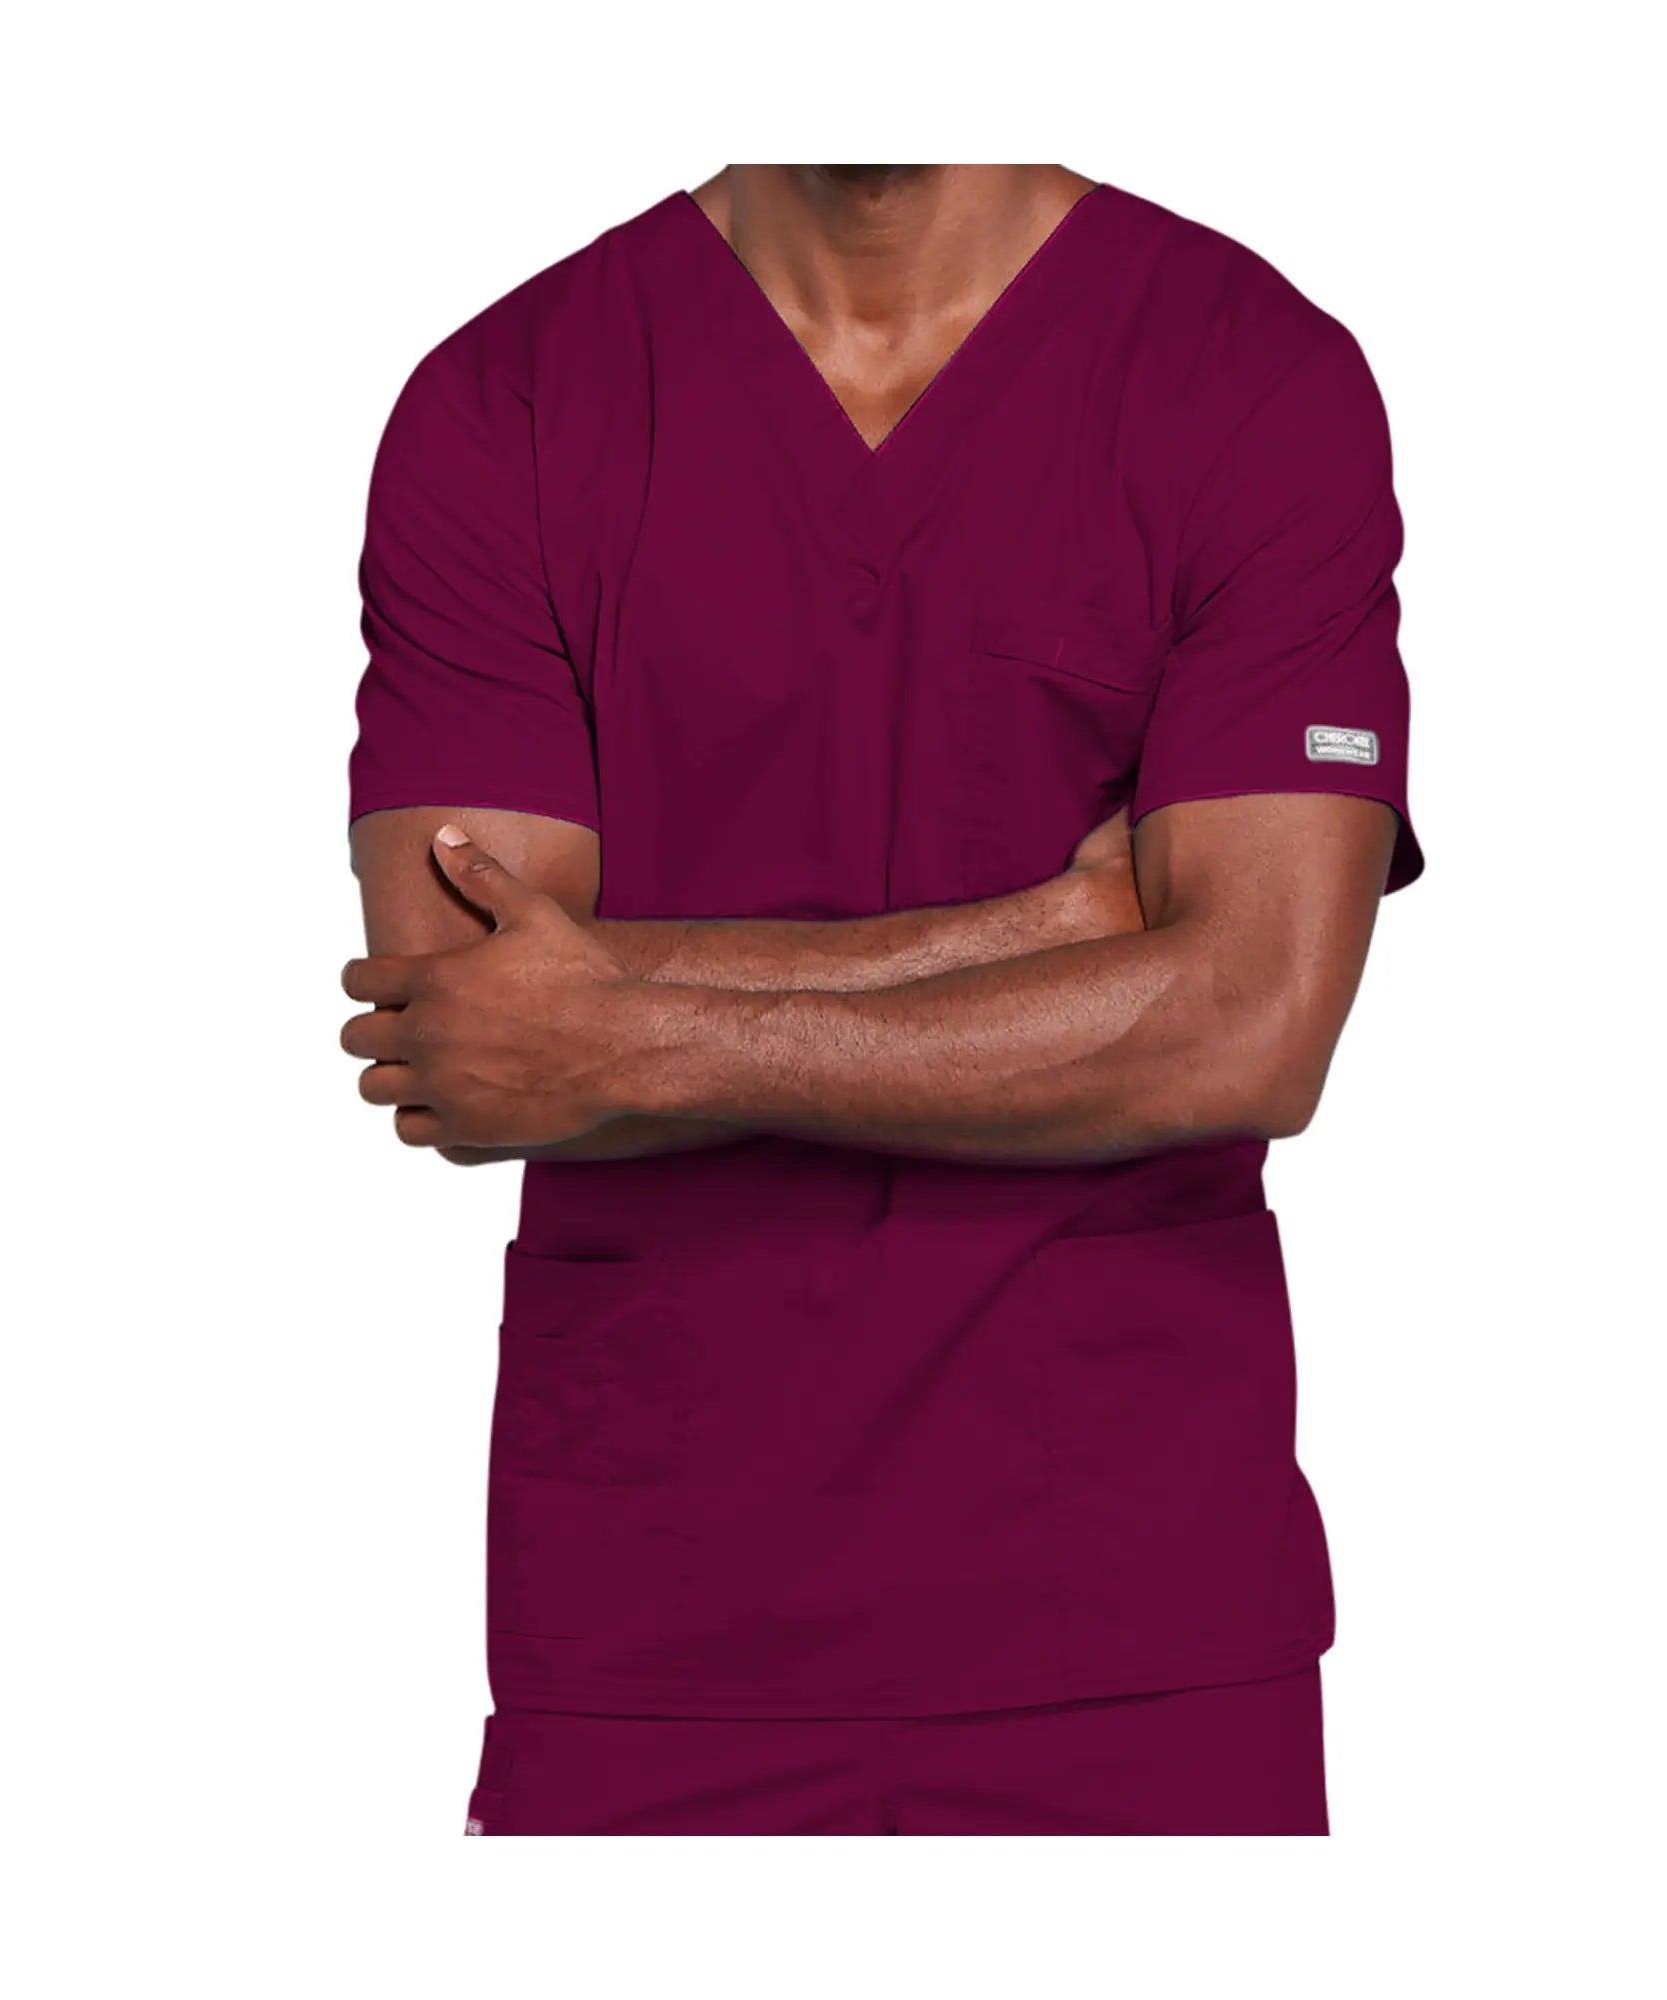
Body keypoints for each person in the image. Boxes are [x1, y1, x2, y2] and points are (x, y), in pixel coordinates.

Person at [340, 163, 1422, 1835]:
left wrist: (615, 1020)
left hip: (1134, 1607)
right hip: (651, 1612)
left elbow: (1252, 1027)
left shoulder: (1246, 376)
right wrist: (1064, 930)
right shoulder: (513, 404)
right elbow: (475, 1045)